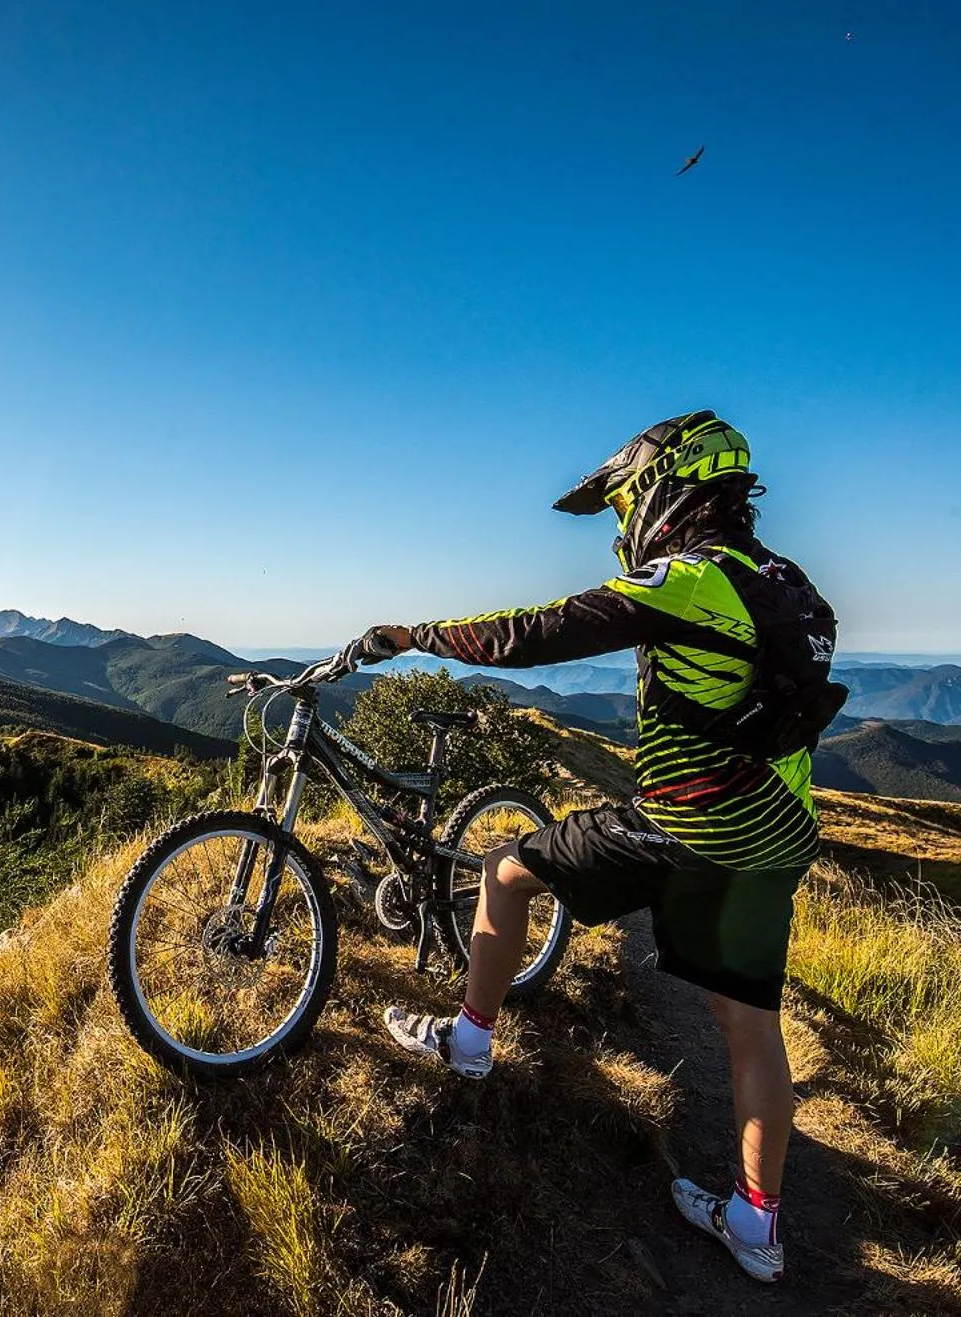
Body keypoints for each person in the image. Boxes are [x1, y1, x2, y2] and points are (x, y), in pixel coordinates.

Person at [328, 410, 839, 1285]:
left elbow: (540, 632)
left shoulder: (692, 578)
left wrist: (413, 635)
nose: (619, 525)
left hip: (686, 825)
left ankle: (469, 1040)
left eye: (625, 502)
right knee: (750, 1025)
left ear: (666, 490)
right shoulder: (784, 582)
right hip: (775, 831)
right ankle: (757, 1225)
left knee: (504, 868)